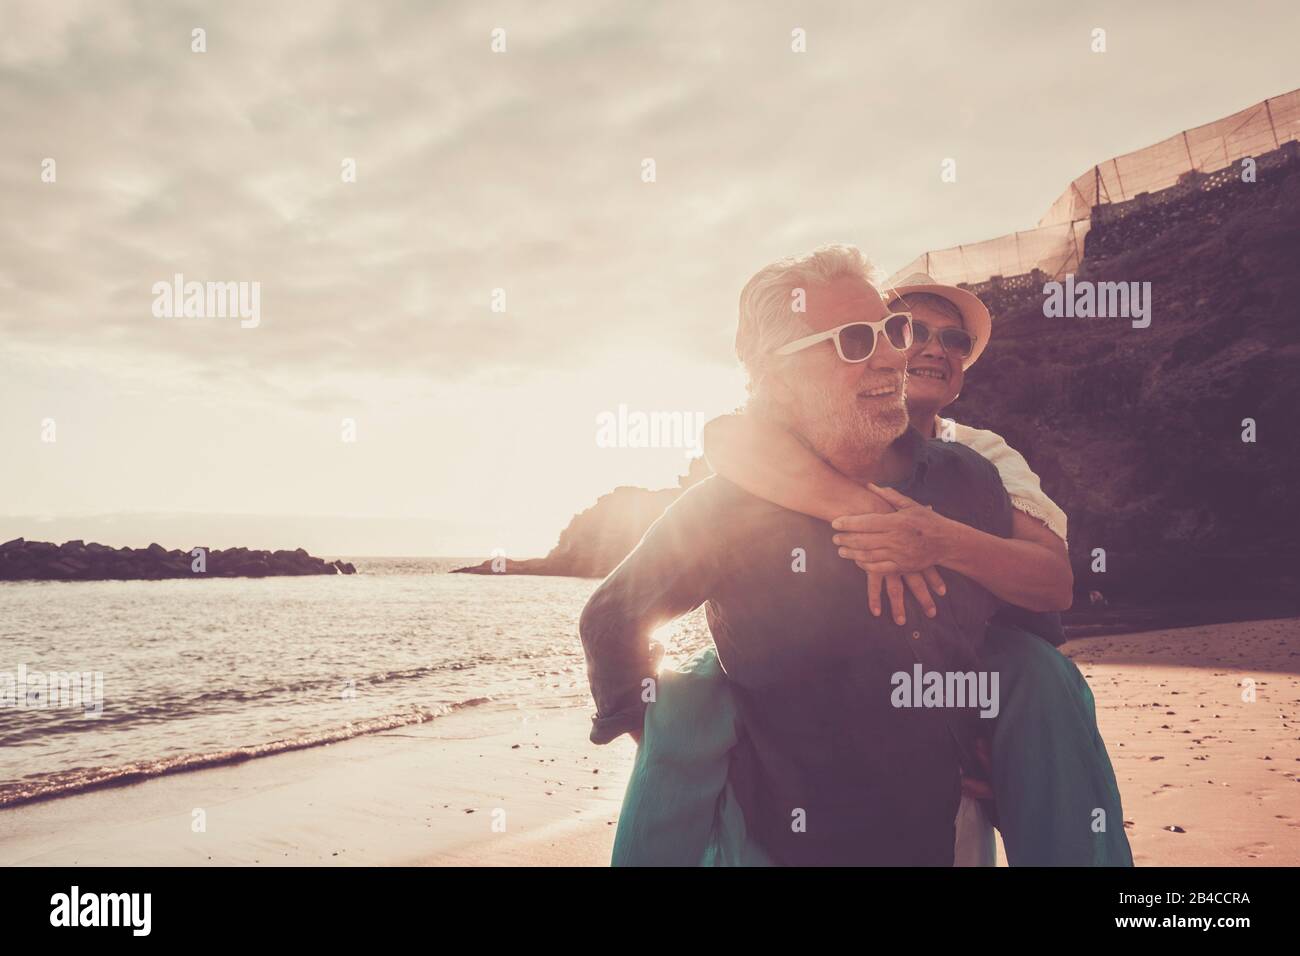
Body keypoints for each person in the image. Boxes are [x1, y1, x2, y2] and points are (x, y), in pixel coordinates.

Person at [583, 245, 1024, 864]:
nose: (892, 355)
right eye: (852, 341)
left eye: (890, 331)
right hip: (788, 841)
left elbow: (1016, 627)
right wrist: (669, 743)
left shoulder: (966, 480)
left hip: (947, 831)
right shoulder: (726, 512)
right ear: (776, 373)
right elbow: (609, 619)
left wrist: (990, 738)